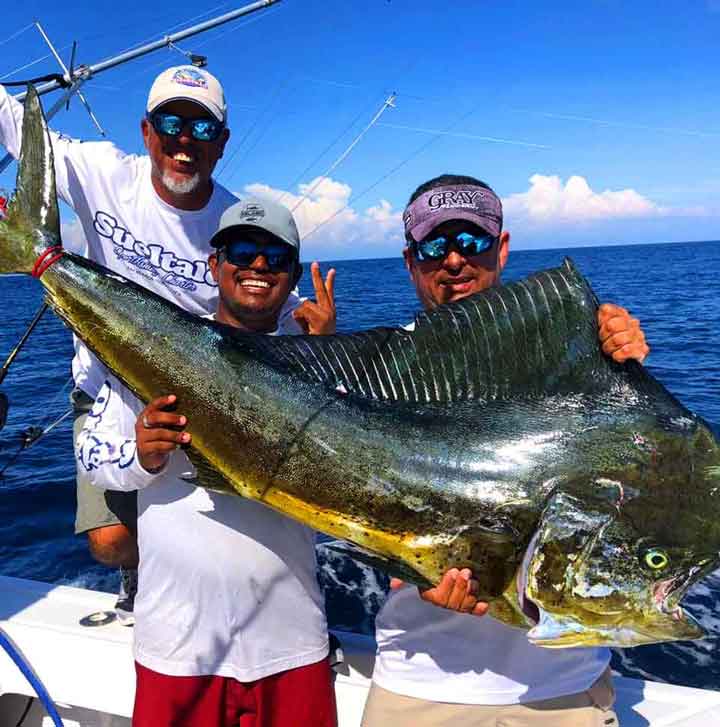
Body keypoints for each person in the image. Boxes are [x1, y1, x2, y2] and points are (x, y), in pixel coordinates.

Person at [0, 66, 308, 620]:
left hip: (196, 400)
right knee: (111, 543)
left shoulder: (232, 223)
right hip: (108, 388)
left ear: (222, 144)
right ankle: (142, 576)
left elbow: (268, 306)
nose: (185, 140)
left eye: (202, 128)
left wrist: (312, 331)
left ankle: (214, 592)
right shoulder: (102, 173)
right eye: (171, 122)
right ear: (147, 132)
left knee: (210, 520)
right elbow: (17, 125)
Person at [362, 174, 649, 727]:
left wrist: (626, 371)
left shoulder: (577, 359)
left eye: (471, 242)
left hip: (561, 690)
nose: (453, 260)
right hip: (417, 686)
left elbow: (628, 490)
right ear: (409, 259)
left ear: (502, 248)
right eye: (433, 245)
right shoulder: (377, 375)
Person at [76, 197, 338, 726]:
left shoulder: (318, 359)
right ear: (215, 264)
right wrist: (140, 455)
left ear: (292, 276)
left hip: (293, 646)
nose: (259, 266)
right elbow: (91, 455)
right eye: (243, 251)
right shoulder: (154, 345)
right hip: (176, 649)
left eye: (276, 258)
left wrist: (327, 356)